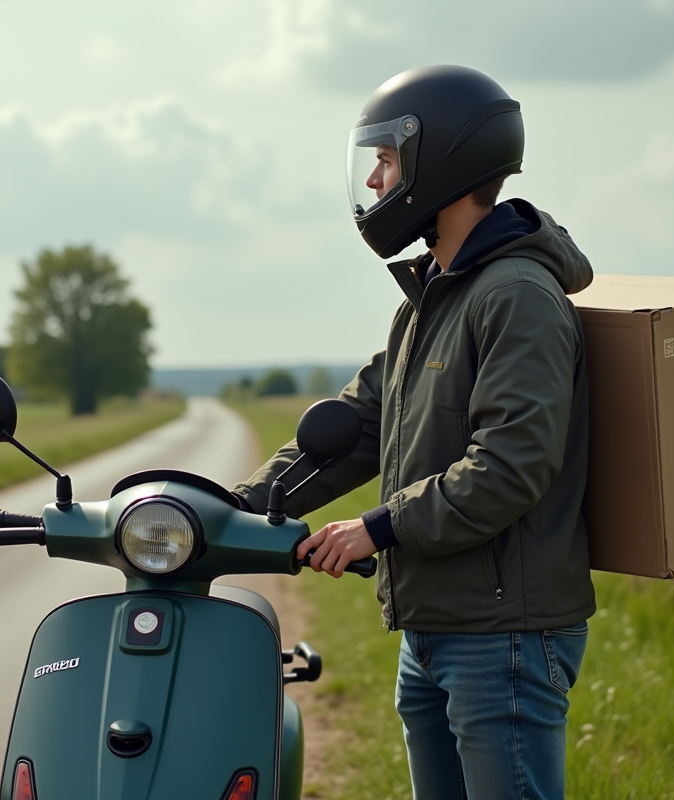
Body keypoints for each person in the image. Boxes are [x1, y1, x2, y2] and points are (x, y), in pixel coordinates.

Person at [231, 65, 596, 800]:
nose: (373, 183)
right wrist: (222, 503)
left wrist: (379, 527)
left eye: (386, 160)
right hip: (434, 627)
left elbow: (509, 466)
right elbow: (359, 424)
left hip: (504, 637)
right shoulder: (431, 297)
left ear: (444, 164)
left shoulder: (517, 297)